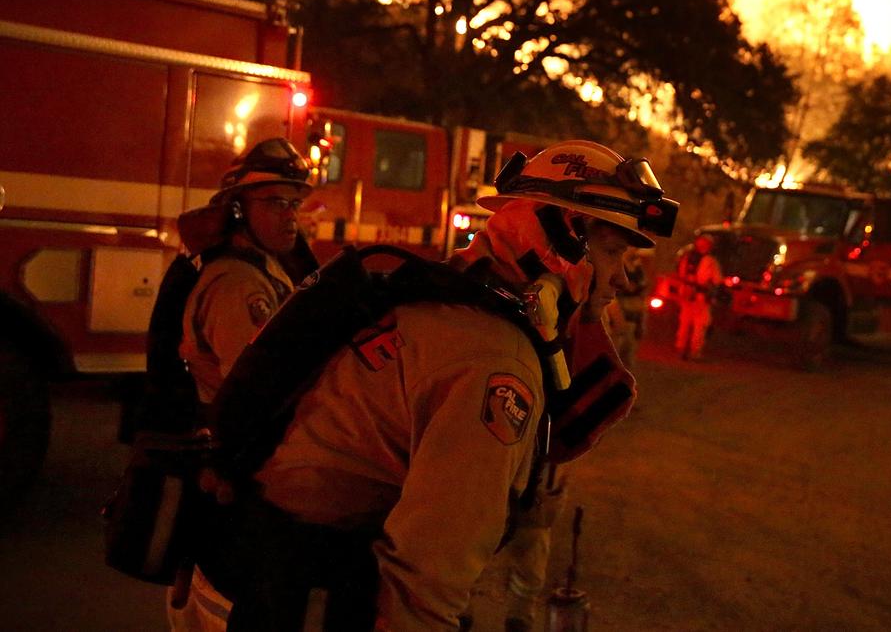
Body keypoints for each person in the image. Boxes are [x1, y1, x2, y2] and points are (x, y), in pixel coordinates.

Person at [220, 140, 678, 630]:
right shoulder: (496, 363)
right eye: (613, 252)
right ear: (564, 239)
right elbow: (426, 581)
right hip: (297, 599)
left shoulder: (446, 302)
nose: (622, 278)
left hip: (263, 570)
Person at [168, 138, 316, 632]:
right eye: (274, 203)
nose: (290, 216)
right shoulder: (238, 285)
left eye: (294, 204)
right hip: (233, 473)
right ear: (237, 211)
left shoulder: (263, 270)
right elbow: (255, 389)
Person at [674, 232, 723, 361]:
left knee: (685, 322)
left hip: (687, 294)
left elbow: (680, 274)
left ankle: (681, 347)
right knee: (699, 324)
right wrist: (713, 293)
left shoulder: (687, 258)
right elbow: (717, 280)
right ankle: (694, 351)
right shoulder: (710, 261)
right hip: (700, 296)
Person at [610, 248, 650, 367]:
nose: (635, 251)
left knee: (630, 346)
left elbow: (642, 288)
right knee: (619, 344)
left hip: (634, 311)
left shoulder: (637, 268)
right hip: (621, 308)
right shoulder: (619, 266)